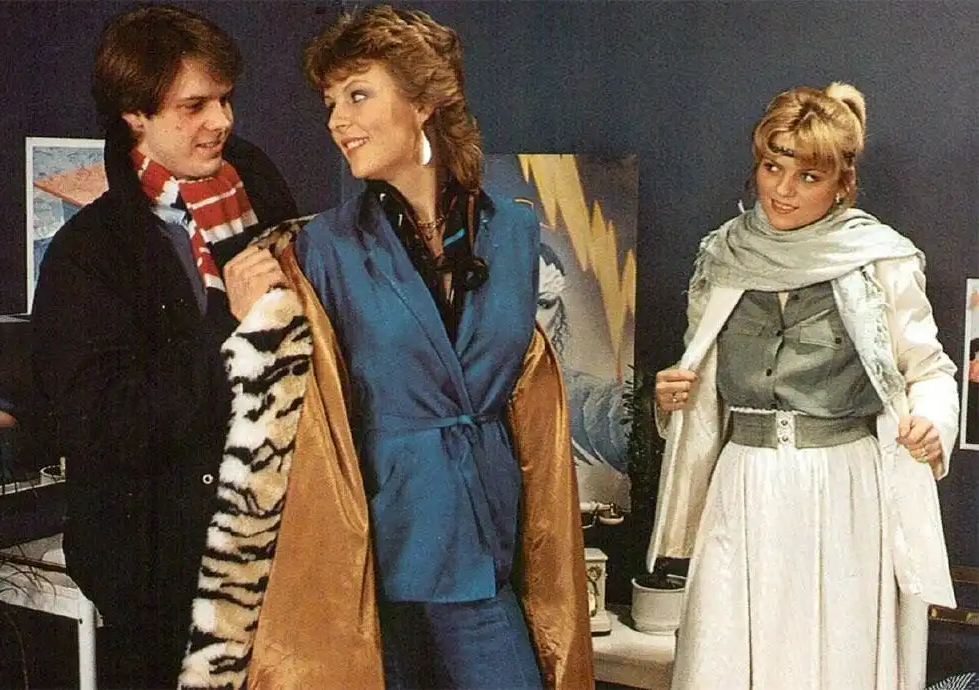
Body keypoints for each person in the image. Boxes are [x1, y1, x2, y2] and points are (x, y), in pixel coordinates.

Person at [177, 5, 593, 690]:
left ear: (423, 101)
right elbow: (289, 408)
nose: (337, 120)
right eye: (331, 103)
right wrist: (251, 320)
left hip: (489, 544)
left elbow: (528, 405)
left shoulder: (515, 236)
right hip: (378, 556)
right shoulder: (323, 248)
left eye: (358, 94)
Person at [649, 82, 959, 689]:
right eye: (773, 167)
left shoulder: (878, 258)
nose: (783, 190)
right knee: (727, 657)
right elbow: (700, 375)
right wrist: (670, 397)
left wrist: (930, 421)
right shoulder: (723, 256)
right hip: (742, 481)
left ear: (842, 183)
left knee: (829, 657)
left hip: (840, 486)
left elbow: (930, 370)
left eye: (808, 177)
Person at [30, 5, 297, 687]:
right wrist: (227, 322)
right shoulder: (86, 255)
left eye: (226, 98)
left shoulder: (258, 196)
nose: (222, 120)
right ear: (134, 114)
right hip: (157, 579)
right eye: (194, 105)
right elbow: (107, 424)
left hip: (280, 551)